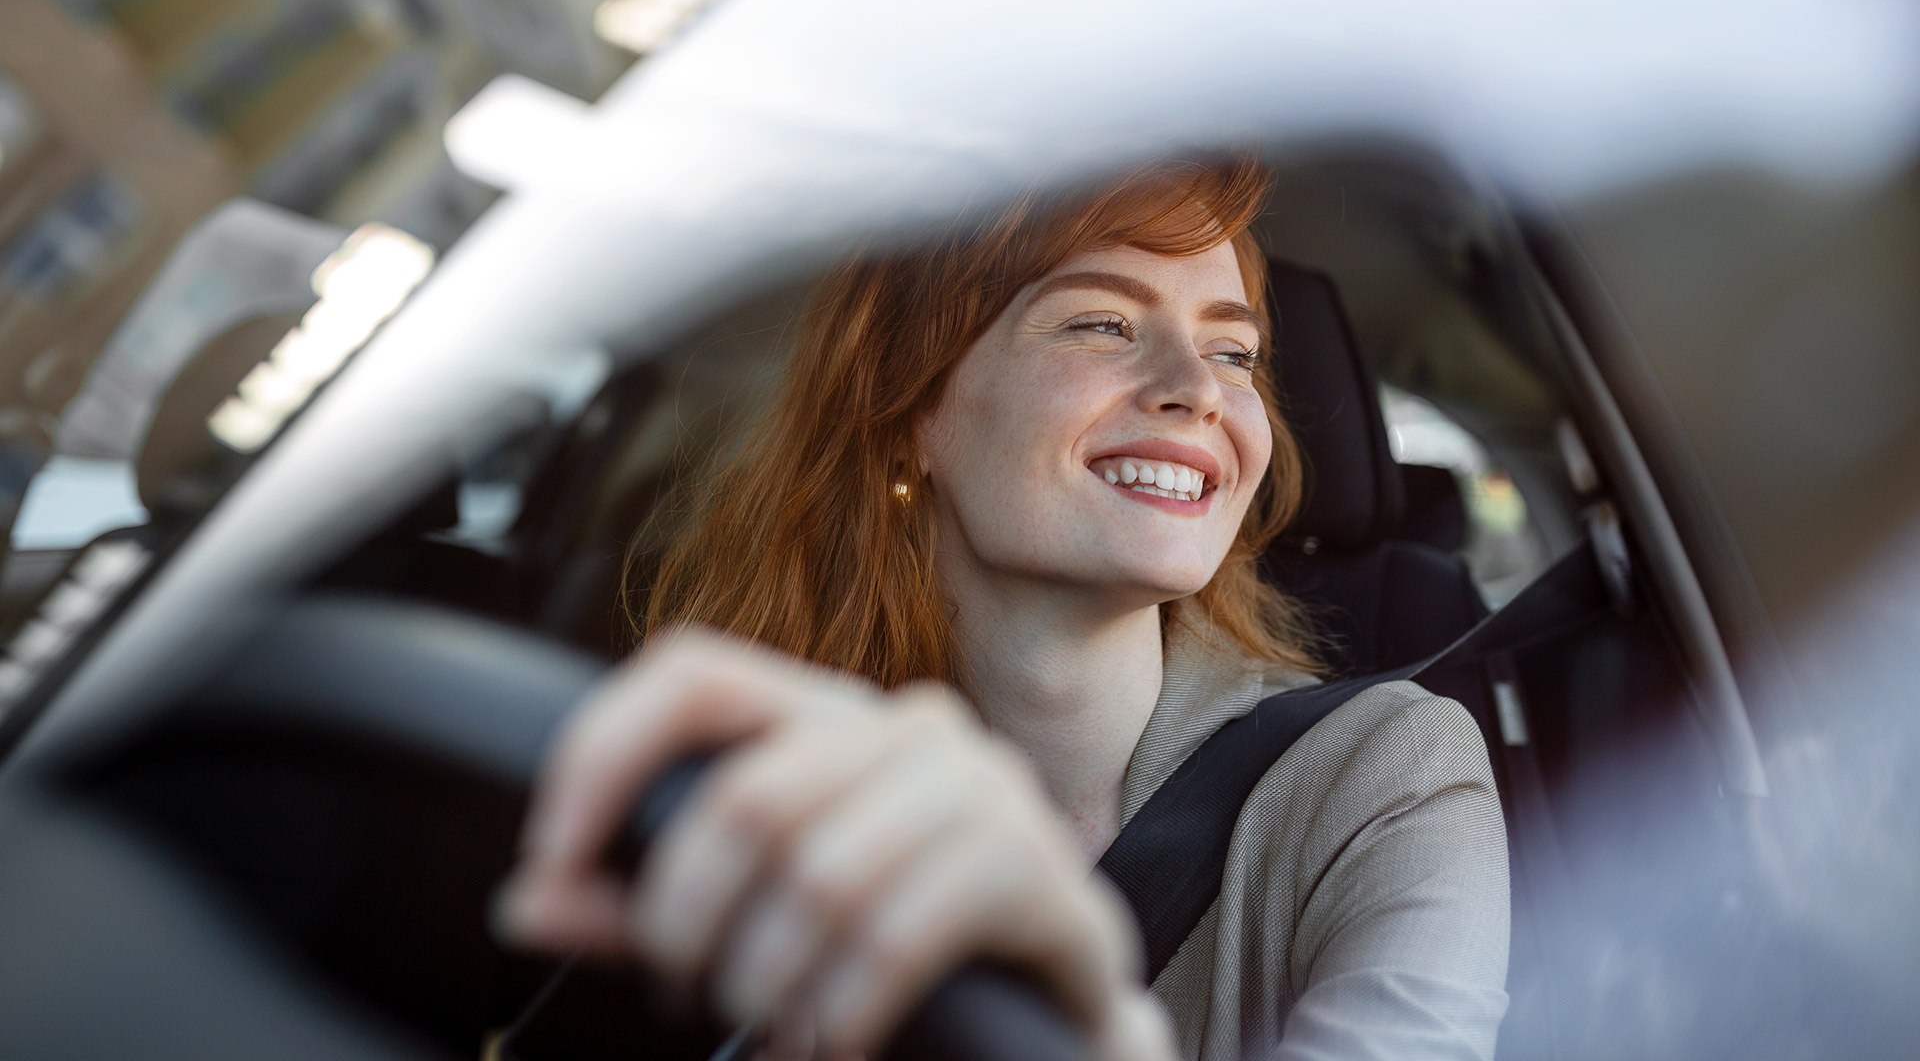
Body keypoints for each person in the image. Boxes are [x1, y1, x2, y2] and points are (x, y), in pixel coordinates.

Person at [495, 157, 1509, 1061]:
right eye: (1103, 323)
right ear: (910, 420)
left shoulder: (1390, 776)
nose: (1199, 389)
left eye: (1234, 352)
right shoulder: (752, 801)